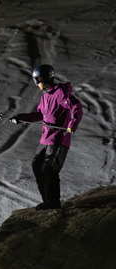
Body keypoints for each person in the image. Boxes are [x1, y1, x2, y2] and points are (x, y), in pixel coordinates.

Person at [9, 64, 83, 210]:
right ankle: (47, 201)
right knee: (37, 167)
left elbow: (76, 106)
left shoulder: (60, 92)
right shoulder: (45, 97)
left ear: (41, 79)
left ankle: (53, 202)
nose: (36, 84)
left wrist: (72, 124)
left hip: (58, 139)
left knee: (49, 169)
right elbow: (39, 115)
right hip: (45, 139)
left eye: (36, 80)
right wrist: (20, 117)